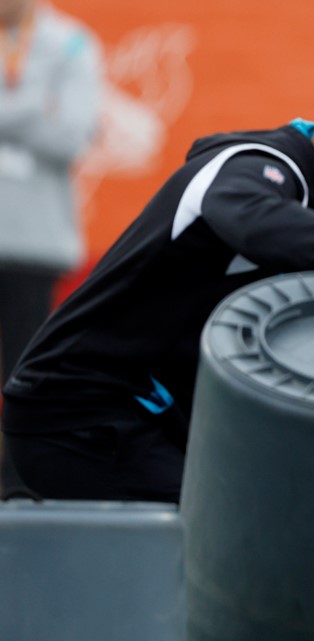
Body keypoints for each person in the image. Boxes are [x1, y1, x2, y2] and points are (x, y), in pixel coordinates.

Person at [0, 54, 314, 503]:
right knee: (241, 538)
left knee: (271, 520)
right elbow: (246, 213)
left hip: (138, 421)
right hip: (78, 418)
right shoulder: (254, 169)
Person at [0, 0, 102, 491]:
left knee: (25, 368)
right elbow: (49, 121)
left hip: (34, 240)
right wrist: (34, 104)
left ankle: (20, 481)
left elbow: (72, 134)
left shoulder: (71, 42)